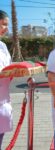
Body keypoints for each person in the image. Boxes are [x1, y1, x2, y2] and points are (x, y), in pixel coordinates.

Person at [0, 10, 12, 150]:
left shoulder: (2, 46)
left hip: (3, 101)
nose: (6, 29)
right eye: (3, 24)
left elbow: (9, 67)